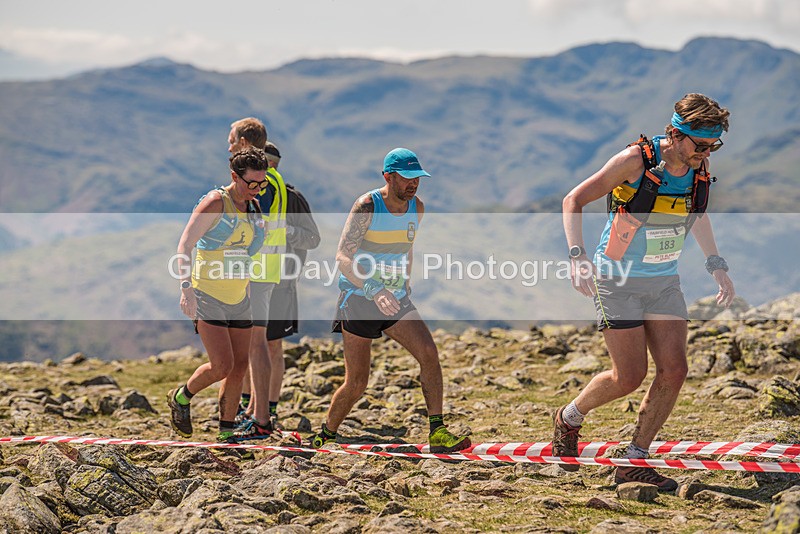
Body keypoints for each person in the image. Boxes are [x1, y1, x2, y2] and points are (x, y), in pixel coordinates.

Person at [558, 93, 736, 490]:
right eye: (700, 145)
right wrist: (577, 256)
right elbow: (574, 199)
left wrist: (716, 264)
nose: (706, 154)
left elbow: (697, 213)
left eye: (714, 146)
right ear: (675, 134)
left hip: (663, 280)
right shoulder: (635, 161)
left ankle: (634, 459)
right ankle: (569, 417)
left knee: (675, 370)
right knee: (629, 376)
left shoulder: (698, 165)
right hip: (616, 280)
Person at [307, 148, 471, 453]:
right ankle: (327, 434)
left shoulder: (417, 207)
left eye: (417, 178)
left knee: (429, 354)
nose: (413, 183)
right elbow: (343, 257)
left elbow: (407, 246)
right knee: (357, 382)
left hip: (395, 298)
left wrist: (404, 282)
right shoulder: (368, 205)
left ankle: (437, 431)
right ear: (388, 176)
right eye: (407, 178)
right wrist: (374, 288)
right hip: (359, 299)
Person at [167, 147, 269, 442]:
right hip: (207, 294)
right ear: (235, 177)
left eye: (261, 183)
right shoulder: (215, 203)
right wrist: (186, 288)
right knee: (222, 365)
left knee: (239, 366)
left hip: (239, 298)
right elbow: (185, 245)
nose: (257, 189)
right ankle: (182, 396)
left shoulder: (253, 208)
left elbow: (245, 253)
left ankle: (226, 432)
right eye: (252, 183)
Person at [226, 119, 289, 441]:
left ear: (244, 141)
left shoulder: (261, 181)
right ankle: (255, 411)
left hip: (257, 269)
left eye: (231, 140)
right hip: (268, 267)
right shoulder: (273, 177)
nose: (228, 146)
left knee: (256, 342)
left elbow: (252, 226)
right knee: (256, 341)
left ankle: (261, 418)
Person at [262, 142, 321, 429]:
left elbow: (313, 238)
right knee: (247, 346)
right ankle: (248, 406)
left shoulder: (292, 198)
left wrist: (285, 231)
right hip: (248, 282)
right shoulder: (245, 195)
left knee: (272, 345)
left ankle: (269, 409)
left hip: (281, 283)